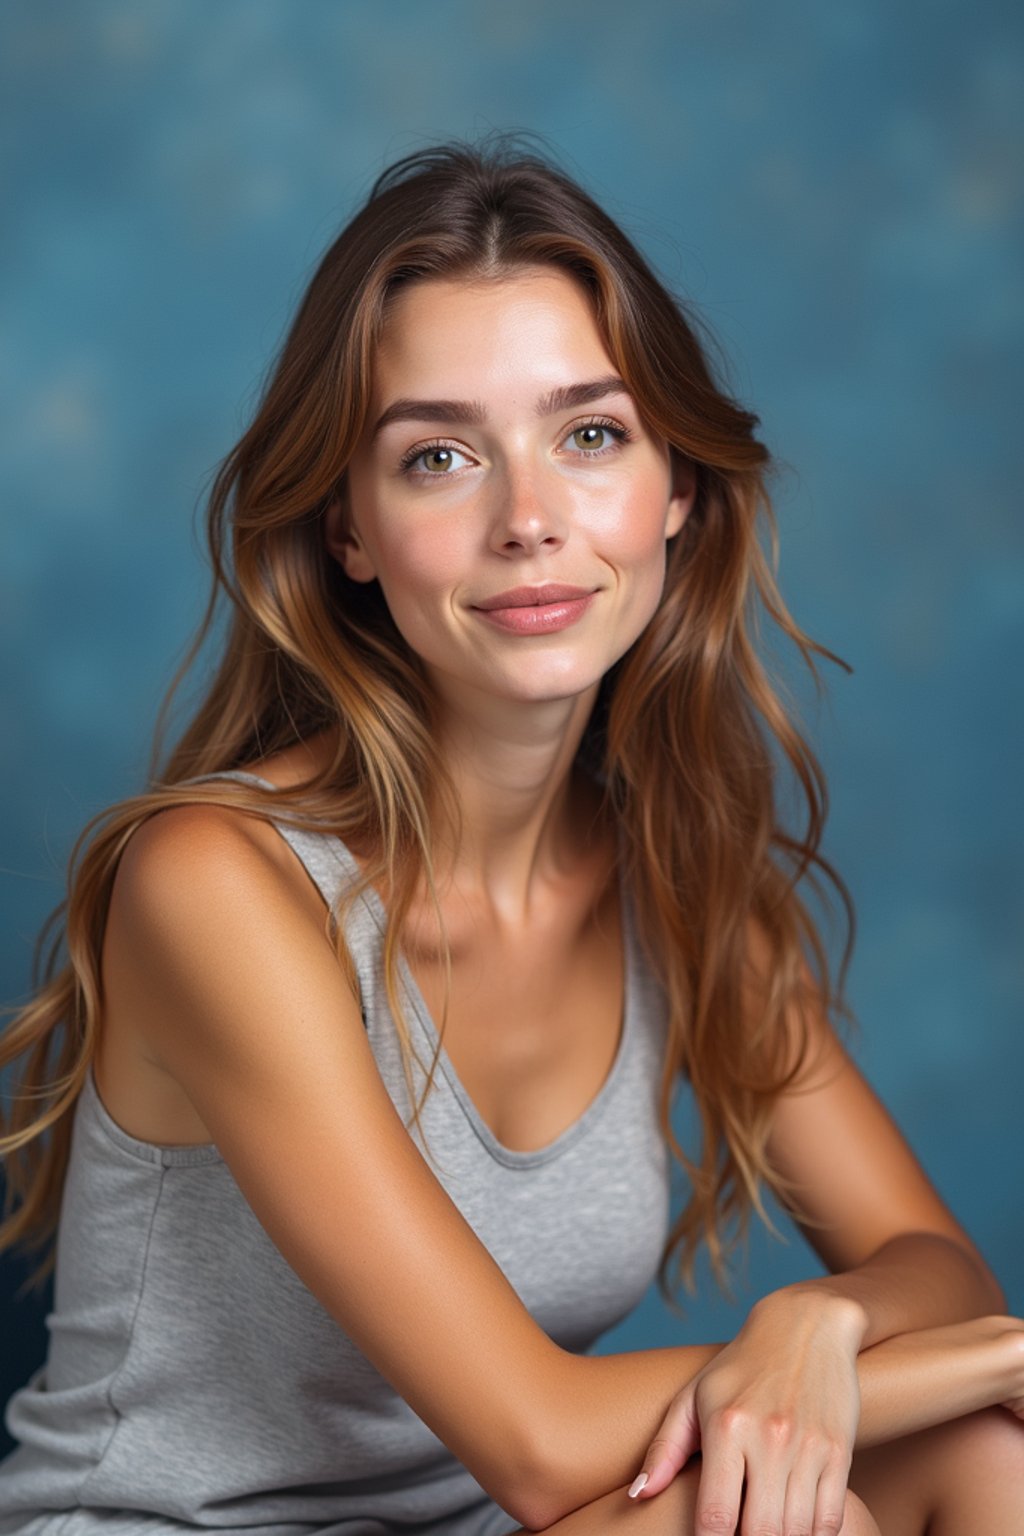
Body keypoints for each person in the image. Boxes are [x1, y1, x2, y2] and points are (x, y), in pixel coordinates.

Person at [0, 133, 1021, 1536]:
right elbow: (542, 1443)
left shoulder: (669, 871)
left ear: (676, 492)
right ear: (350, 529)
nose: (530, 520)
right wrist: (969, 1363)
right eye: (438, 458)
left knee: (983, 1462)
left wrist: (821, 1323)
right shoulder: (215, 884)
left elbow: (937, 1268)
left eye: (589, 435)